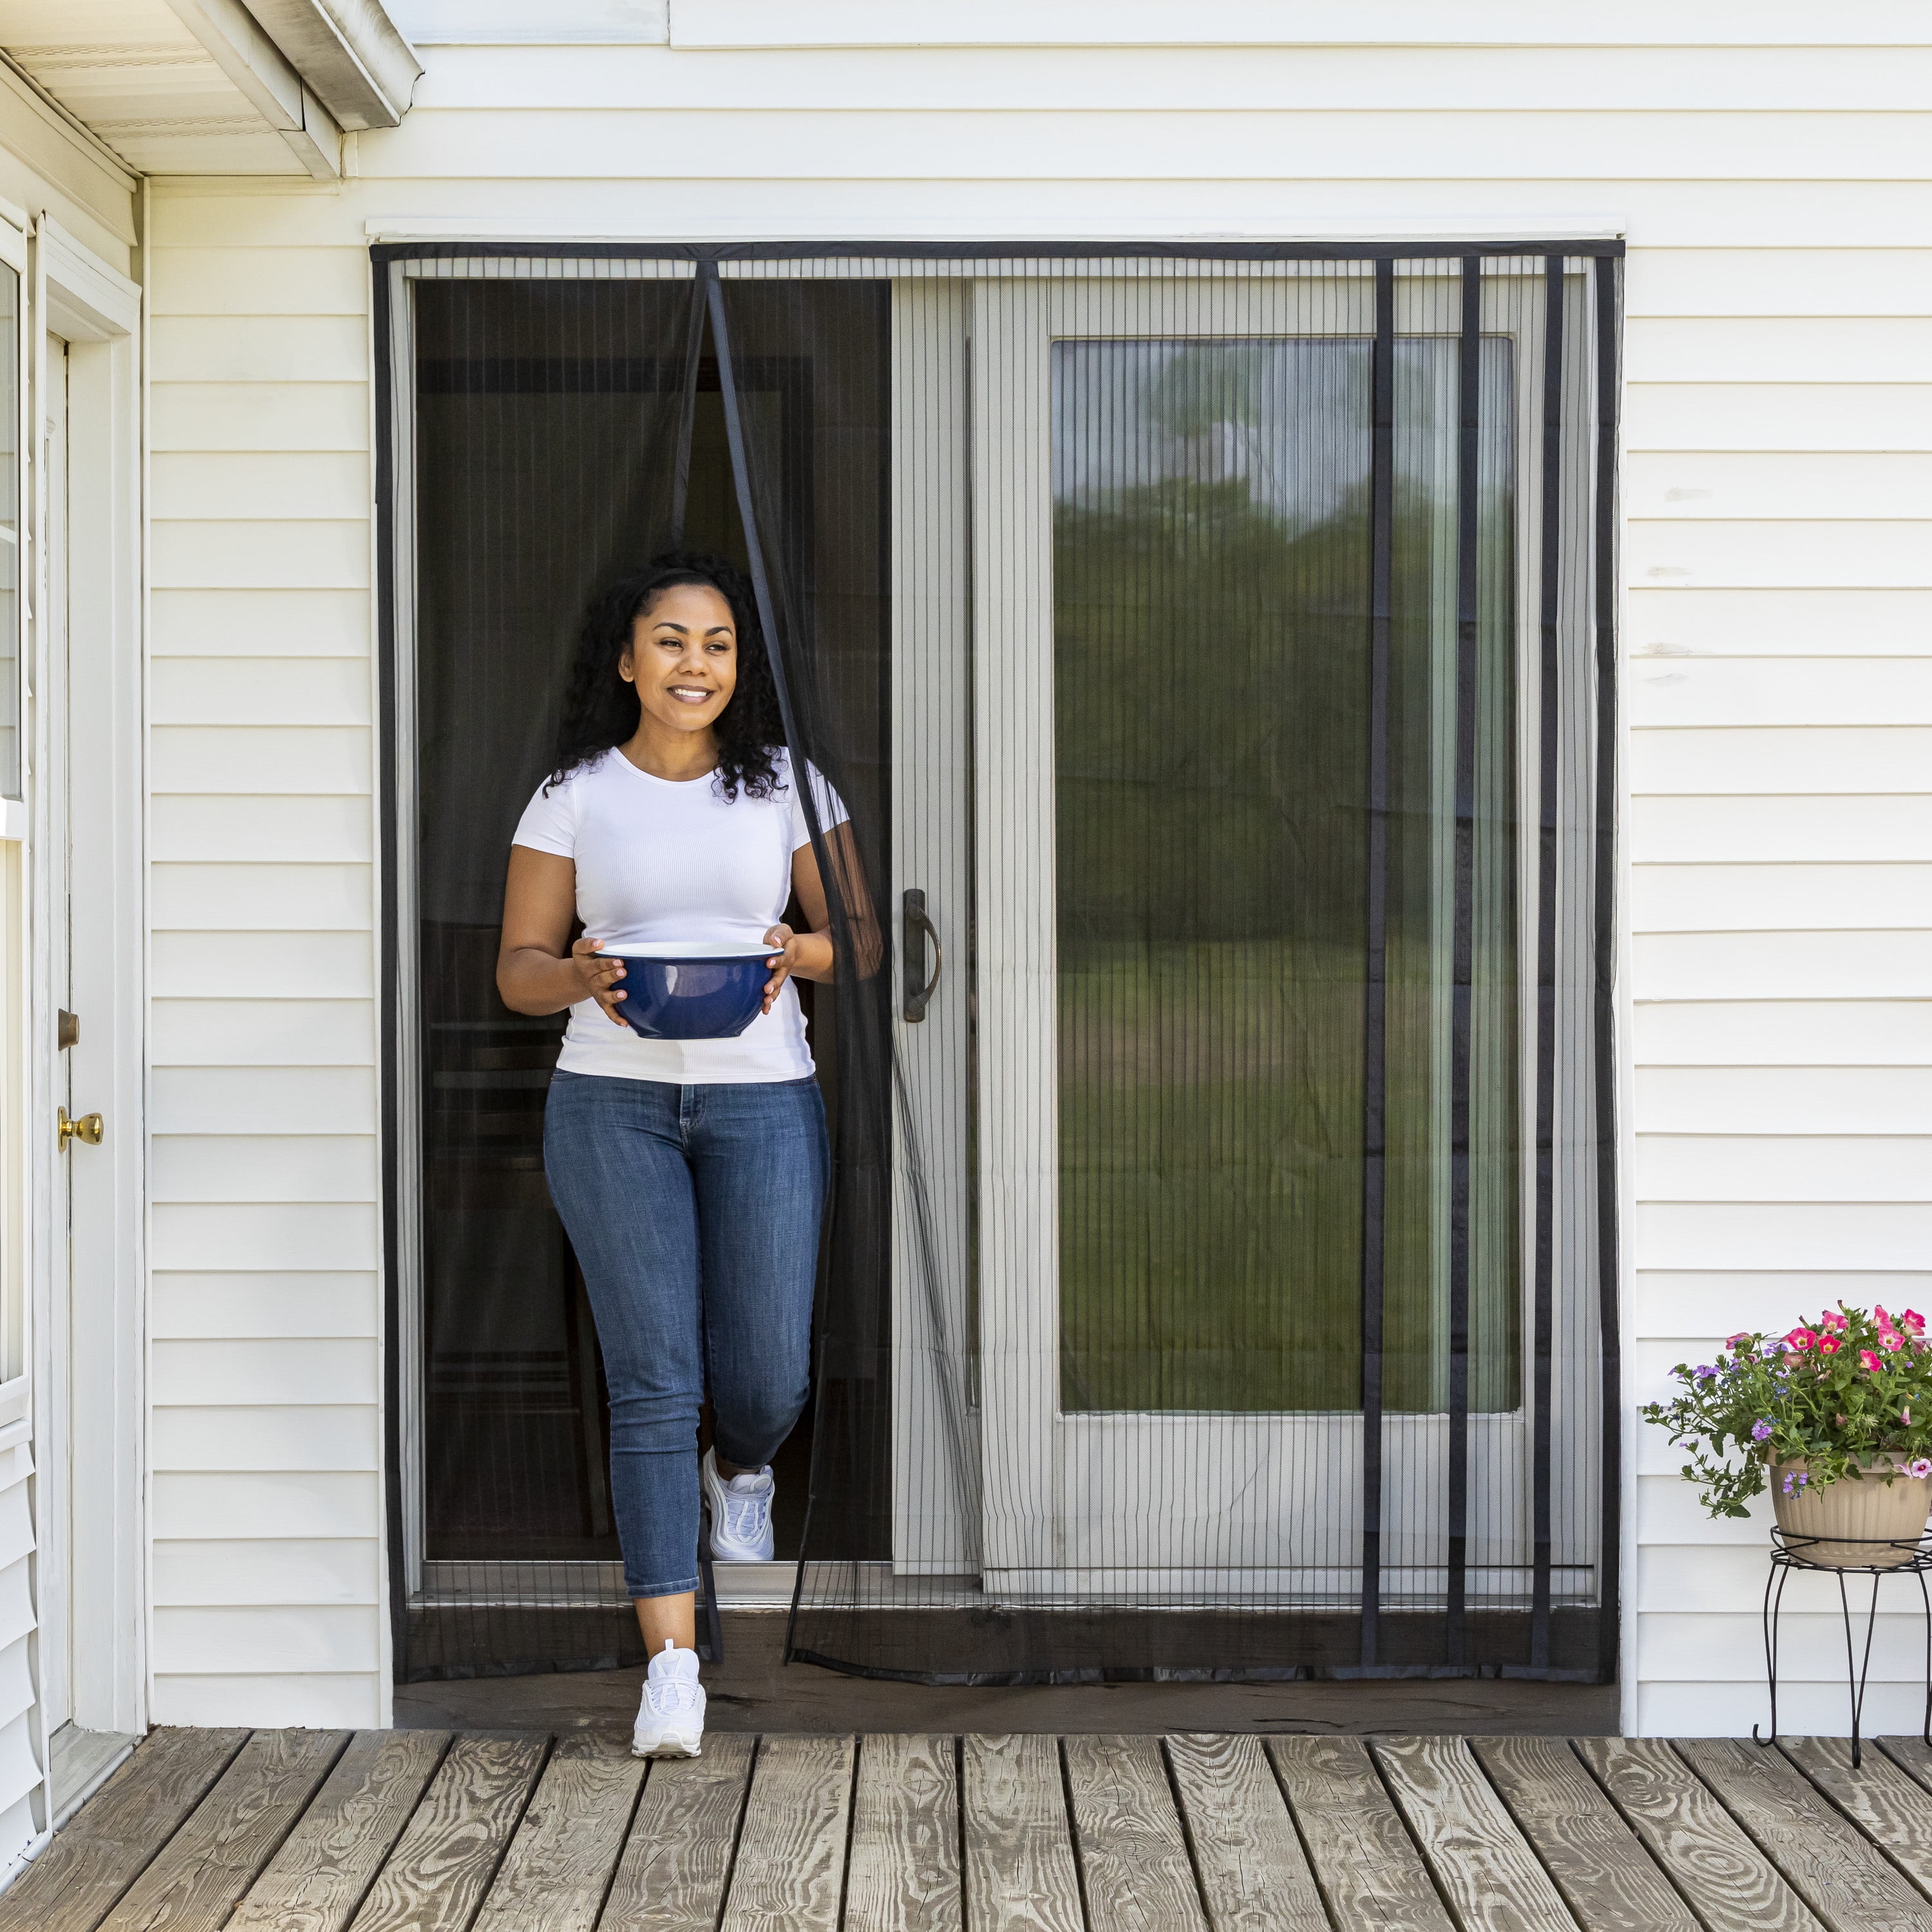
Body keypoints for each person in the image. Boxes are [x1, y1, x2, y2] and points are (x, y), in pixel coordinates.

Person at [497, 552, 864, 1758]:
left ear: (736, 667)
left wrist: (790, 955)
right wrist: (584, 978)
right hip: (613, 1105)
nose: (693, 663)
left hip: (763, 1102)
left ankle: (743, 1469)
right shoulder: (573, 796)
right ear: (627, 660)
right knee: (652, 1382)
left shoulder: (787, 788)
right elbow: (518, 970)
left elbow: (853, 940)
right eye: (670, 641)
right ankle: (672, 1665)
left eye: (715, 644)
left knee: (764, 1375)